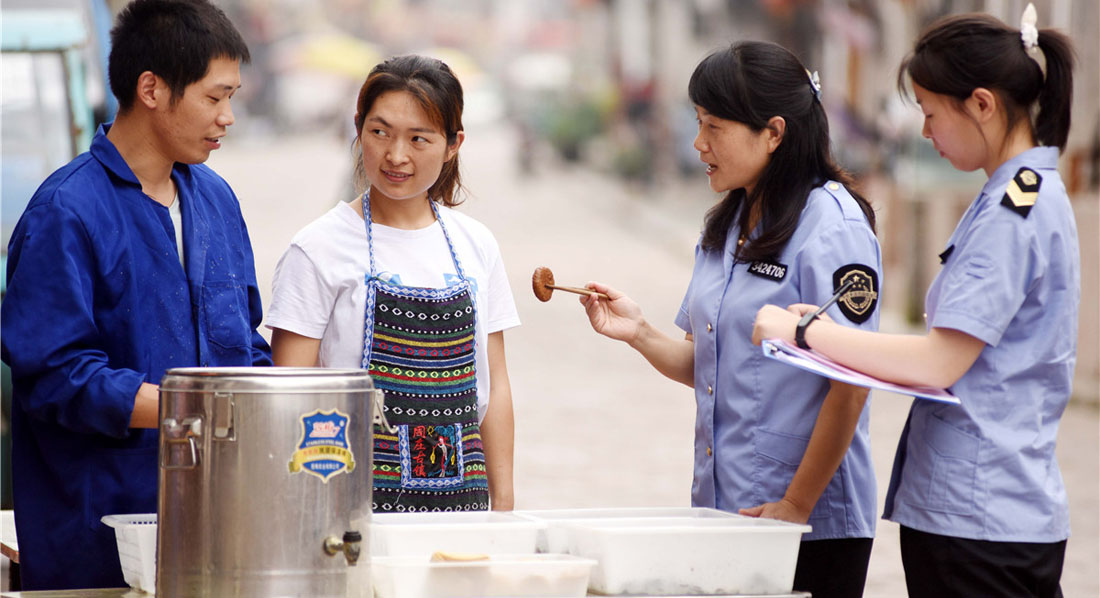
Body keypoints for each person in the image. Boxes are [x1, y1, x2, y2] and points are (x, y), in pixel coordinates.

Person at [753, 7, 1077, 598]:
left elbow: (937, 362)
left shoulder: (1013, 210)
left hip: (982, 519)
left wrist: (803, 334)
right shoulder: (1018, 194)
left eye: (930, 112)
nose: (925, 132)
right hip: (987, 506)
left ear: (981, 104)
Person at [579, 41, 881, 598]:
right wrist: (640, 333)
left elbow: (852, 384)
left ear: (773, 132)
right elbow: (712, 366)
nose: (699, 144)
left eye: (713, 126)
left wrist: (796, 505)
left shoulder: (832, 226)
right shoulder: (727, 224)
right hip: (725, 510)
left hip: (807, 525)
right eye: (699, 123)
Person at [0, 0, 268, 590]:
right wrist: (189, 410)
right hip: (99, 537)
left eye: (231, 97)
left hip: (216, 527)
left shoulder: (216, 200)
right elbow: (55, 375)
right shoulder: (66, 212)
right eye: (214, 97)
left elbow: (247, 343)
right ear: (151, 87)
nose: (227, 117)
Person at [267, 55, 519, 513]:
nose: (396, 155)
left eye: (418, 138)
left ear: (452, 144)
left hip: (465, 508)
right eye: (380, 132)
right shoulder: (318, 248)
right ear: (358, 128)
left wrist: (503, 507)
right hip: (347, 510)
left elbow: (495, 388)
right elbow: (291, 399)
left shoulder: (476, 246)